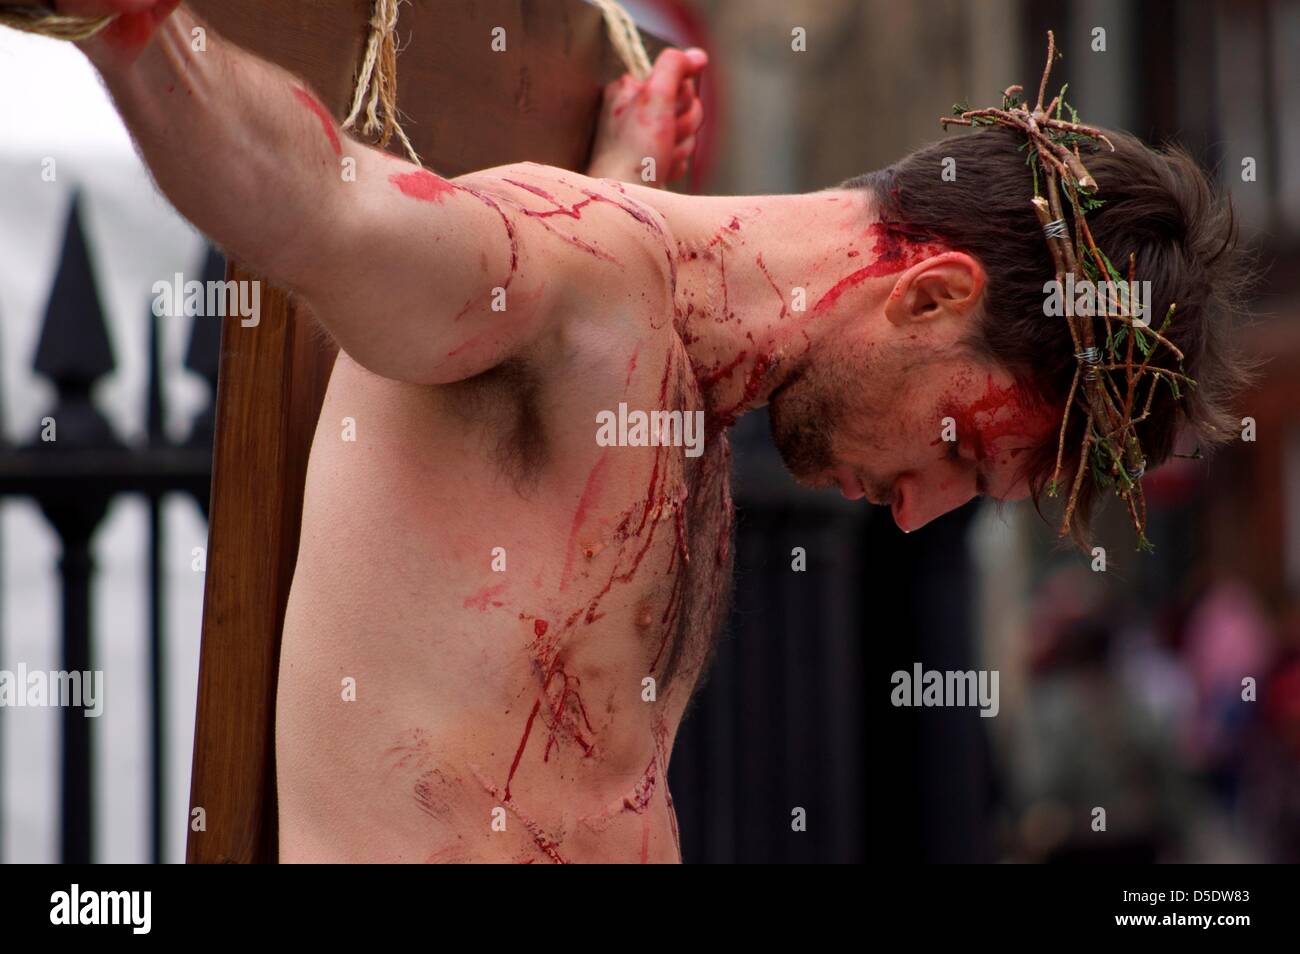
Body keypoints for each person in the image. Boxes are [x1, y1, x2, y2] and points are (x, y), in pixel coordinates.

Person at [60, 1, 1247, 862]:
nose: (920, 505)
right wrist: (132, 26)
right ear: (929, 295)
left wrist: (625, 169)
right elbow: (324, 210)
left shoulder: (666, 350)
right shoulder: (560, 279)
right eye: (962, 450)